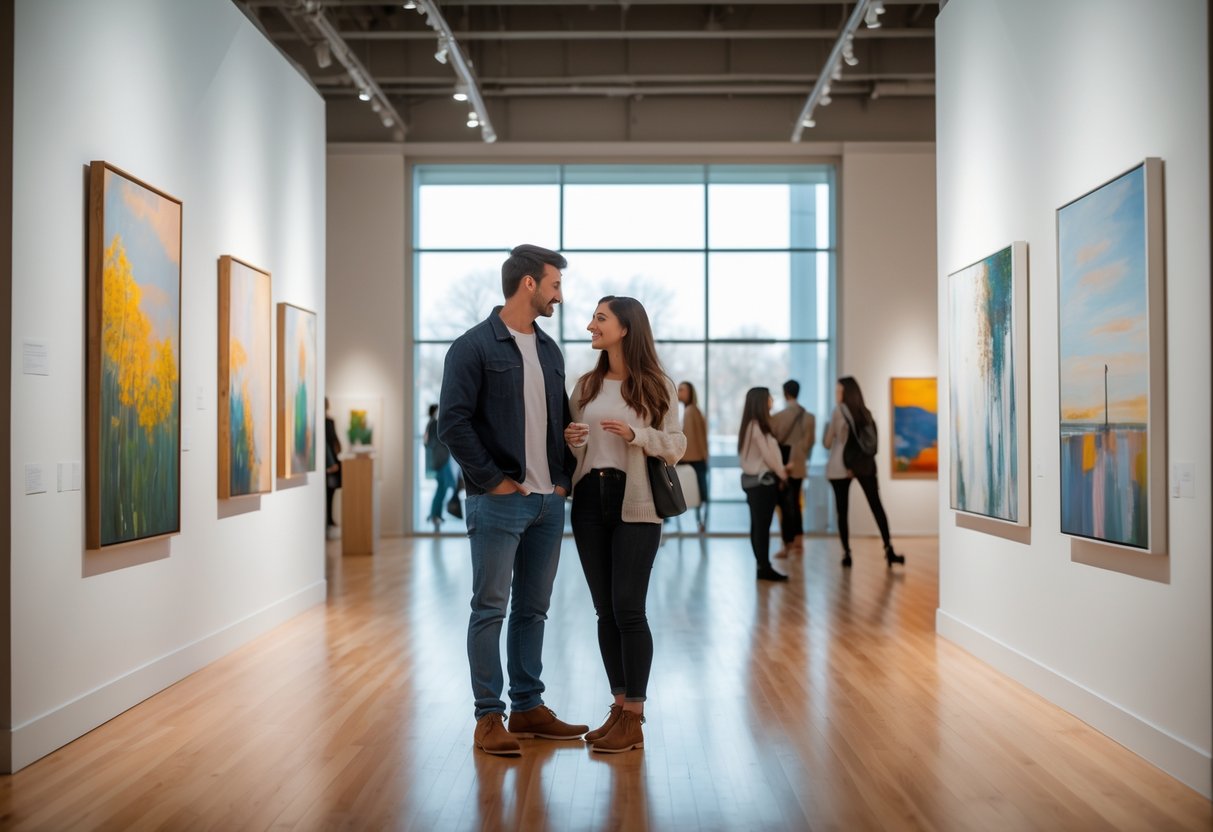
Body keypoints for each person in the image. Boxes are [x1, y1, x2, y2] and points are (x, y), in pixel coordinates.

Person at [438, 244, 587, 757]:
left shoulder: (549, 351)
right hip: (498, 501)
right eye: (555, 285)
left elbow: (558, 420)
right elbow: (452, 423)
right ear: (529, 283)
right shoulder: (472, 347)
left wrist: (562, 480)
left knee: (534, 610)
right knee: (490, 610)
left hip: (548, 503)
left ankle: (527, 705)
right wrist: (495, 481)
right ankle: (487, 717)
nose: (559, 297)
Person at [565, 296, 686, 754]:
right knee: (604, 611)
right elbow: (576, 447)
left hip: (635, 502)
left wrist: (638, 435)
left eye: (600, 318)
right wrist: (572, 439)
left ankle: (634, 717)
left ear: (625, 329)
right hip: (588, 501)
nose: (591, 325)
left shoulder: (657, 385)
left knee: (629, 608)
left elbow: (675, 445)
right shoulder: (586, 385)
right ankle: (618, 707)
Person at [822, 376, 907, 568]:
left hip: (839, 466)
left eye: (839, 391)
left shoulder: (838, 411)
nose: (836, 394)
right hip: (863, 465)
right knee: (877, 506)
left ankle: (847, 554)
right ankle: (889, 550)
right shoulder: (866, 413)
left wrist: (831, 428)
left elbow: (827, 443)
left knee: (842, 512)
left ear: (846, 393)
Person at [738, 388, 789, 582]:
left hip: (755, 483)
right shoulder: (757, 426)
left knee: (758, 526)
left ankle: (762, 566)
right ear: (761, 401)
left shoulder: (750, 426)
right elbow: (768, 456)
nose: (772, 400)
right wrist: (782, 473)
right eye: (769, 397)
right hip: (762, 483)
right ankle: (764, 567)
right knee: (762, 527)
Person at [769, 379, 816, 558]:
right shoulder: (809, 417)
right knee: (796, 503)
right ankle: (799, 542)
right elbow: (809, 442)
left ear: (785, 393)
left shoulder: (778, 417)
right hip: (799, 465)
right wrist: (799, 454)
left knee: (784, 506)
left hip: (783, 465)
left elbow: (774, 440)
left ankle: (786, 544)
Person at [677, 381, 709, 533]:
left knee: (699, 495)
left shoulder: (691, 411)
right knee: (698, 494)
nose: (679, 392)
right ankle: (700, 523)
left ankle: (701, 523)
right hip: (696, 460)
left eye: (682, 390)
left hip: (694, 461)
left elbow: (692, 438)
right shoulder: (691, 410)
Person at [423, 403, 455, 530]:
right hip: (441, 461)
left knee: (443, 487)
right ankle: (434, 514)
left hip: (439, 461)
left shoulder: (430, 424)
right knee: (443, 487)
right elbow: (436, 442)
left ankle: (436, 514)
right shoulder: (434, 424)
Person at [325, 397, 342, 532]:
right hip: (327, 463)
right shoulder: (324, 422)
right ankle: (326, 520)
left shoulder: (329, 422)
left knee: (331, 492)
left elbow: (334, 442)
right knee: (326, 492)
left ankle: (329, 519)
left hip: (332, 463)